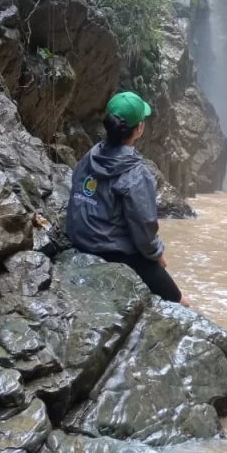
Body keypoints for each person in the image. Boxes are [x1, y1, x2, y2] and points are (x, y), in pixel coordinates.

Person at [66, 91, 190, 307]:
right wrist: (157, 255)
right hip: (108, 250)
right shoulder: (136, 174)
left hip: (79, 239)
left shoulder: (91, 155)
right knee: (181, 303)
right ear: (139, 128)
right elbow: (144, 227)